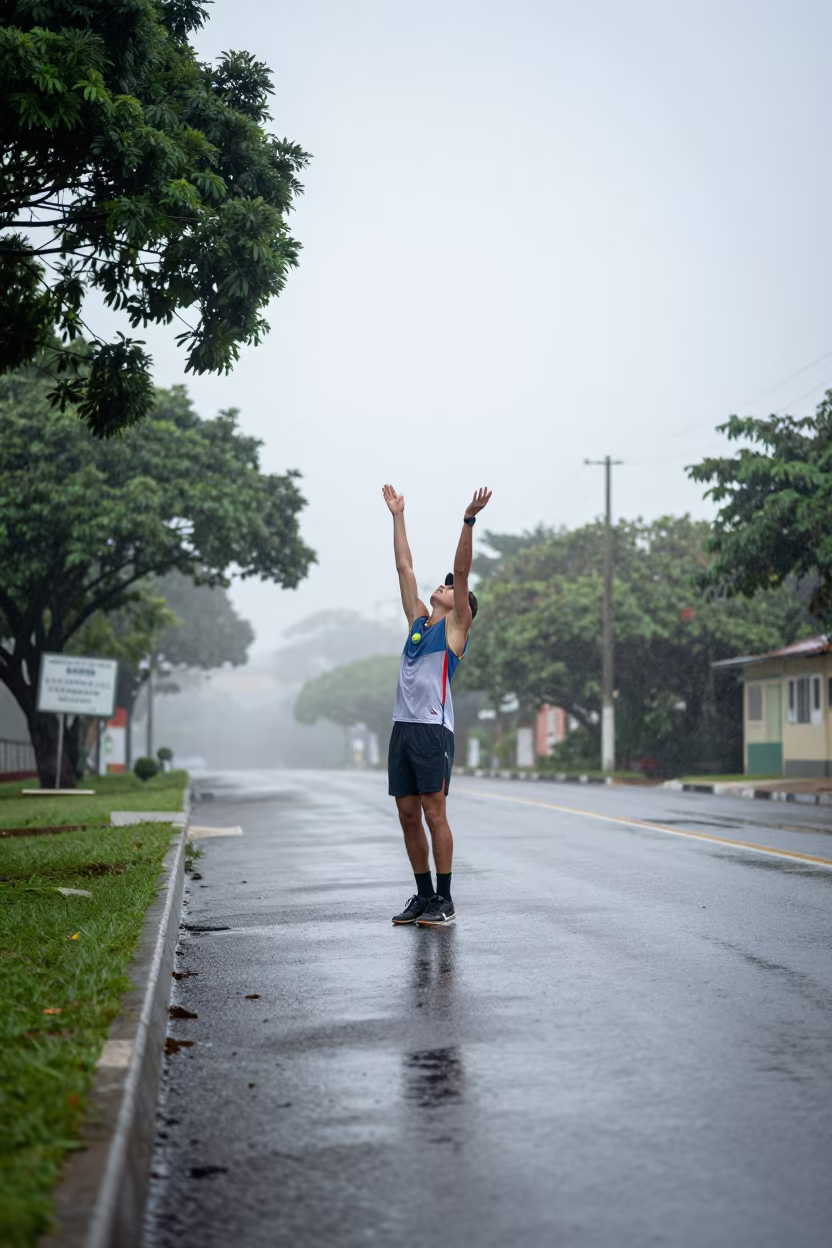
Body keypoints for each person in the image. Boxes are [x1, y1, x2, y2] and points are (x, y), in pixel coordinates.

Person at [381, 483, 492, 926]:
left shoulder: (454, 632)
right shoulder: (416, 624)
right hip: (402, 728)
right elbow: (404, 566)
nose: (444, 586)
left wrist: (468, 520)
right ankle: (423, 896)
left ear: (461, 604)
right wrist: (397, 515)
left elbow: (461, 571)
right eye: (445, 586)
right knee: (408, 814)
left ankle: (445, 899)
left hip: (432, 731)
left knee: (433, 811)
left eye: (450, 588)